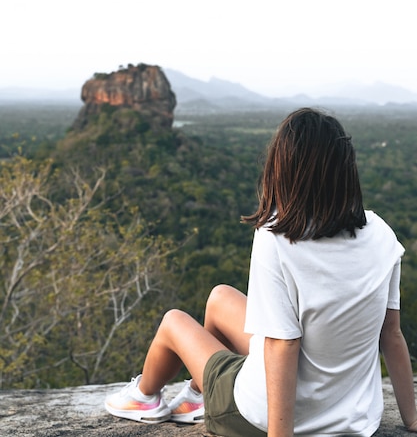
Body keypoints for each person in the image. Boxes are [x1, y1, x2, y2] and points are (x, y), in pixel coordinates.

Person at [105, 107, 417, 436]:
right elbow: (391, 334)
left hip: (261, 417)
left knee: (173, 322)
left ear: (283, 170)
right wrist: (411, 419)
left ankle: (144, 398)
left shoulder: (277, 236)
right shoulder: (382, 234)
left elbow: (283, 345)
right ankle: (197, 395)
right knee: (219, 297)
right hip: (353, 420)